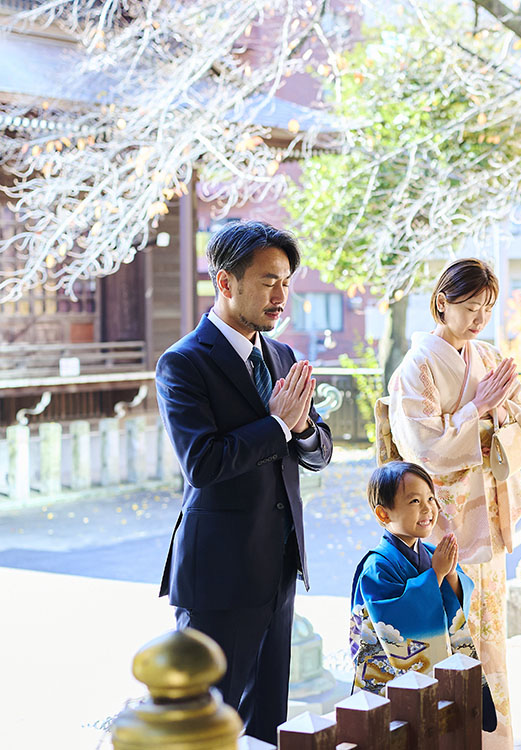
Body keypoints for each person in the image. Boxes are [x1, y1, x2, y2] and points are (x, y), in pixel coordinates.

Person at [155, 220, 333, 743]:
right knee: (202, 724)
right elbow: (203, 464)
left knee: (266, 723)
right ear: (225, 283)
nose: (280, 295)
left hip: (278, 567)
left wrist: (298, 428)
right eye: (267, 281)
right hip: (219, 576)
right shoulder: (183, 363)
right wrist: (277, 423)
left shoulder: (281, 356)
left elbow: (318, 452)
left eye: (286, 281)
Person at [385, 257, 521, 749]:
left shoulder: (488, 357)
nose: (478, 319)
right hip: (443, 519)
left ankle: (498, 740)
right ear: (441, 303)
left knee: (491, 637)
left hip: (487, 518)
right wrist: (480, 412)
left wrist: (491, 416)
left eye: (486, 308)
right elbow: (424, 446)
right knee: (451, 637)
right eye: (469, 307)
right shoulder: (417, 367)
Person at [349, 461, 497, 731]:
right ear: (383, 514)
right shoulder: (377, 566)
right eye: (415, 501)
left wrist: (450, 575)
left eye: (431, 498)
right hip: (389, 680)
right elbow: (394, 621)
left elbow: (456, 611)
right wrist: (435, 576)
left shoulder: (430, 553)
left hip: (433, 675)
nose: (428, 508)